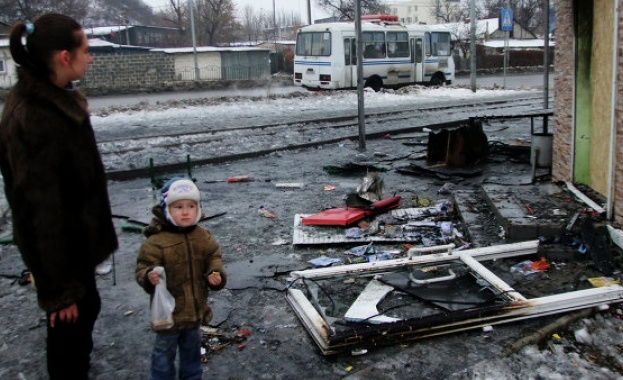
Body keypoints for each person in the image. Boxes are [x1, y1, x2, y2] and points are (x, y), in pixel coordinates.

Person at [0, 13, 118, 379]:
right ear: (64, 56)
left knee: (80, 330)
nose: (91, 56)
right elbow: (37, 211)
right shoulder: (35, 115)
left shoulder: (54, 101)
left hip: (75, 249)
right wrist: (59, 291)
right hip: (62, 260)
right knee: (68, 343)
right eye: (85, 48)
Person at [136, 178, 226, 380]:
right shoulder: (156, 241)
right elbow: (142, 267)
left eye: (191, 206)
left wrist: (215, 273)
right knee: (163, 357)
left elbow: (214, 256)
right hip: (168, 316)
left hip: (194, 314)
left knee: (192, 357)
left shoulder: (203, 237)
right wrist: (148, 276)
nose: (185, 212)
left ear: (198, 208)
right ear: (167, 209)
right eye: (178, 207)